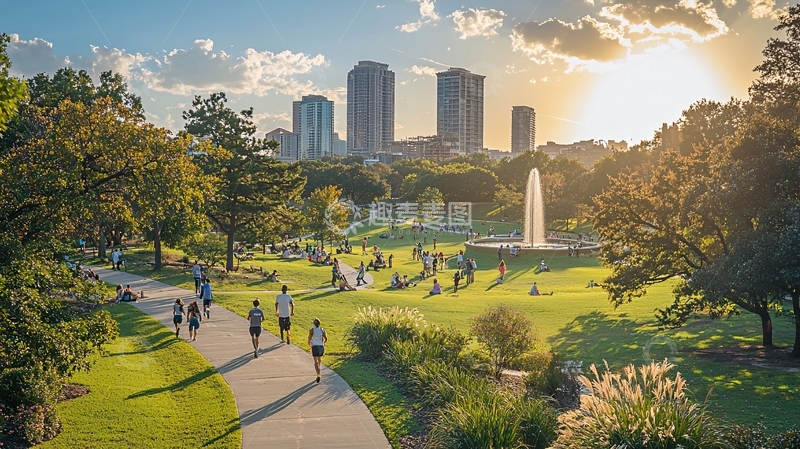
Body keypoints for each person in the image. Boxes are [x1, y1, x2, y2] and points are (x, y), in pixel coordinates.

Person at [308, 318, 328, 383]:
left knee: (315, 360)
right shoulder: (322, 330)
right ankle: (319, 367)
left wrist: (309, 343)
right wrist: (323, 343)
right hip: (321, 346)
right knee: (319, 358)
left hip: (315, 346)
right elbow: (326, 338)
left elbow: (309, 338)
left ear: (314, 324)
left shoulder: (312, 330)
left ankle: (318, 374)